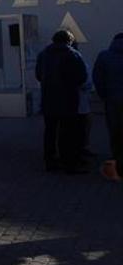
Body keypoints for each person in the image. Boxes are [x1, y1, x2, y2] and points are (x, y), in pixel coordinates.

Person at [36, 30, 89, 174]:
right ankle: (68, 163)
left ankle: (50, 161)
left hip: (48, 99)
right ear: (69, 40)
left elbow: (38, 75)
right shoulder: (73, 55)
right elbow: (82, 77)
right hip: (68, 100)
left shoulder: (43, 54)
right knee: (67, 133)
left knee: (50, 132)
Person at [93, 33, 123, 182]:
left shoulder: (104, 56)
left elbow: (97, 79)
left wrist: (104, 95)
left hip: (113, 102)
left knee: (115, 131)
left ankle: (116, 161)